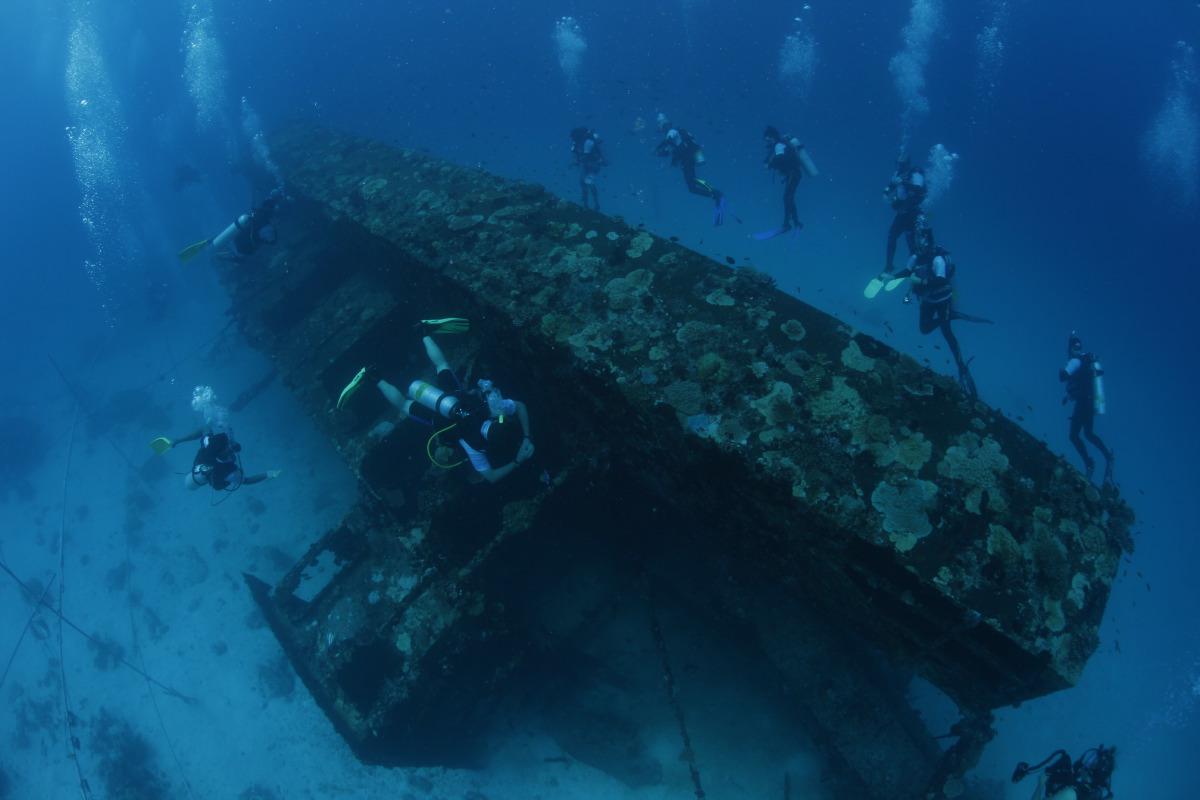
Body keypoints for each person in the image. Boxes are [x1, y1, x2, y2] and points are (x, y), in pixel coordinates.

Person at [339, 322, 536, 484]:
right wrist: (518, 460)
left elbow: (520, 406)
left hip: (452, 396)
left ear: (497, 421)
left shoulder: (492, 410)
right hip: (437, 417)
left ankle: (423, 332)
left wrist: (526, 436)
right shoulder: (474, 446)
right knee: (404, 405)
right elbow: (491, 477)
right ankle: (374, 377)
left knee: (441, 366)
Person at [888, 218, 988, 399]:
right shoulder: (916, 257)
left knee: (947, 334)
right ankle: (950, 316)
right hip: (927, 300)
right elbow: (907, 271)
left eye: (922, 240)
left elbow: (942, 280)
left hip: (942, 300)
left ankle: (961, 366)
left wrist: (921, 281)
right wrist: (892, 277)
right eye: (918, 240)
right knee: (924, 329)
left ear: (928, 240)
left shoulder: (938, 259)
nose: (919, 244)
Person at [654, 112, 729, 226]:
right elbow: (671, 149)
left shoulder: (671, 132)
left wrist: (657, 149)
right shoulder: (675, 133)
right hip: (688, 158)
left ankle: (716, 193)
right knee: (692, 188)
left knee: (692, 181)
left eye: (660, 126)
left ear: (663, 125)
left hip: (687, 158)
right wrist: (663, 152)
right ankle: (714, 195)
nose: (660, 129)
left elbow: (668, 142)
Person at [1060, 332, 1114, 485]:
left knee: (1073, 436)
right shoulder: (1085, 362)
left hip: (1084, 403)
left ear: (1070, 348)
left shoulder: (1076, 361)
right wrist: (1068, 397)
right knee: (1089, 434)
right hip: (1089, 403)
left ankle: (1089, 463)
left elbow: (1065, 376)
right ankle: (1107, 455)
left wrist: (1062, 373)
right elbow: (1080, 385)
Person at [155, 430, 280, 493]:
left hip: (223, 452)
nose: (204, 470)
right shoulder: (201, 459)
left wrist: (269, 474)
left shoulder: (217, 480)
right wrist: (178, 440)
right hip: (221, 449)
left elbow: (246, 481)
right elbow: (204, 430)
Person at [1011, 745, 1116, 800]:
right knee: (1066, 759)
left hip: (1059, 794)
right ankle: (1028, 771)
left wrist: (1040, 784)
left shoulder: (1069, 794)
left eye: (1090, 762)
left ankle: (1029, 772)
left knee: (1061, 763)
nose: (1086, 763)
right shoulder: (1096, 792)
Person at [883, 154, 927, 273]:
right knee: (892, 236)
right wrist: (886, 192)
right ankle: (889, 265)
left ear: (907, 164)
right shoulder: (897, 174)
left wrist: (903, 182)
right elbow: (891, 185)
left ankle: (915, 265)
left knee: (911, 240)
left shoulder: (915, 172)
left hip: (914, 213)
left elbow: (919, 189)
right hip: (902, 213)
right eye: (898, 164)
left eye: (902, 165)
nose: (899, 167)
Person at [217, 188, 282, 262]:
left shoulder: (256, 216)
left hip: (238, 240)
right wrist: (274, 228)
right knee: (242, 259)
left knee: (239, 255)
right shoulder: (266, 226)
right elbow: (272, 241)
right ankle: (223, 256)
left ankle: (222, 254)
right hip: (244, 247)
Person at [762, 125, 805, 234]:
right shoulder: (780, 144)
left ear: (772, 137)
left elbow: (780, 158)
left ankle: (787, 225)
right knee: (788, 198)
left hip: (793, 174)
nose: (767, 142)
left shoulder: (779, 145)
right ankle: (795, 223)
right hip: (794, 174)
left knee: (787, 197)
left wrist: (770, 164)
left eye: (768, 139)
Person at [570, 127, 608, 211]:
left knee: (589, 182)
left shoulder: (588, 142)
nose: (573, 139)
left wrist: (577, 161)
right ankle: (586, 204)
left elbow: (586, 155)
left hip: (594, 164)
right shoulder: (578, 143)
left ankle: (596, 204)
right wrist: (577, 160)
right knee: (582, 182)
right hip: (586, 164)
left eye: (574, 137)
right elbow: (577, 154)